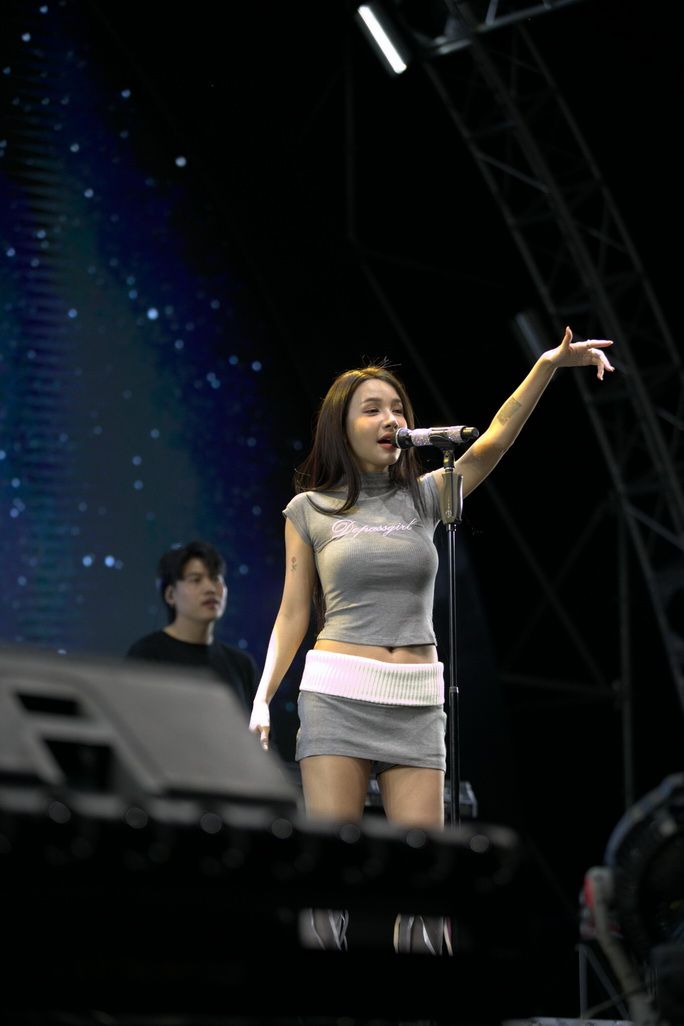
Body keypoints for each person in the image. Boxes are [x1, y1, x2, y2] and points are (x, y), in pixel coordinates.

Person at [248, 326, 615, 954]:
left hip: (417, 701)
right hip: (337, 695)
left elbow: (496, 437)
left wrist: (548, 366)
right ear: (342, 427)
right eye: (373, 409)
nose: (390, 419)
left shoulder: (427, 496)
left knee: (424, 891)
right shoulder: (310, 509)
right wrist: (262, 697)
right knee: (330, 884)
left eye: (398, 409)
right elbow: (292, 613)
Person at [126, 539, 258, 715]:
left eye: (216, 578)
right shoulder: (147, 655)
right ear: (170, 595)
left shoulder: (242, 665)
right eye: (196, 580)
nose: (210, 588)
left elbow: (258, 730)